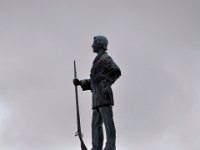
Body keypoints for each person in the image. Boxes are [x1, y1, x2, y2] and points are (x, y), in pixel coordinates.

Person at [73, 35, 121, 150]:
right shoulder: (97, 60)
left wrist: (106, 82)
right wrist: (81, 82)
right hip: (96, 96)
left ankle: (110, 146)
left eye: (93, 43)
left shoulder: (106, 58)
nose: (92, 45)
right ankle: (96, 147)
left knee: (107, 122)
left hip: (104, 94)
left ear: (99, 44)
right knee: (96, 123)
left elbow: (116, 71)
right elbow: (95, 80)